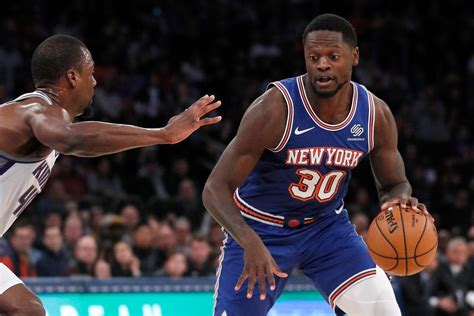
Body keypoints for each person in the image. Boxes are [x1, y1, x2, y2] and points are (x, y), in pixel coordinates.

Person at [203, 14, 432, 315]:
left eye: (333, 56)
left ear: (354, 56)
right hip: (261, 228)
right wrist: (248, 240)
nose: (322, 64)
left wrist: (398, 201)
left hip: (327, 229)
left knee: (384, 310)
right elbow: (214, 189)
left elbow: (393, 183)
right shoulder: (275, 108)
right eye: (314, 57)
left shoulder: (376, 114)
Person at [0, 34, 222, 315]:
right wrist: (164, 135)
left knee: (27, 309)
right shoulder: (35, 109)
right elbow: (72, 140)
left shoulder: (40, 116)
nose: (94, 82)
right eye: (90, 73)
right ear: (72, 77)